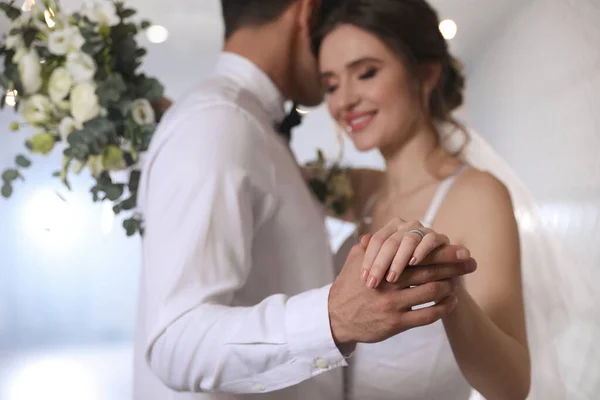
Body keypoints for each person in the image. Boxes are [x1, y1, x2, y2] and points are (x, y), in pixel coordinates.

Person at [133, 1, 477, 399]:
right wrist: (333, 318)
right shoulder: (218, 124)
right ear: (307, 13)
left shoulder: (244, 126)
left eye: (365, 72)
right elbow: (175, 342)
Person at [313, 0, 533, 399]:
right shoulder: (358, 187)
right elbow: (266, 169)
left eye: (365, 73)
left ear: (426, 74)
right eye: (330, 84)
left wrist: (449, 291)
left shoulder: (477, 195)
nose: (343, 101)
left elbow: (513, 386)